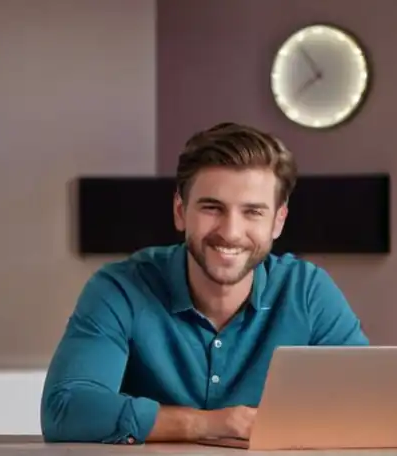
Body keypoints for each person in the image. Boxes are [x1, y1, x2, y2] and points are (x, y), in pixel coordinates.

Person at [40, 122, 368, 445]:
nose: (230, 232)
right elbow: (65, 409)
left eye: (253, 212)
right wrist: (211, 424)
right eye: (212, 208)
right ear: (181, 211)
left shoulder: (308, 291)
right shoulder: (120, 287)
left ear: (277, 221)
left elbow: (370, 404)